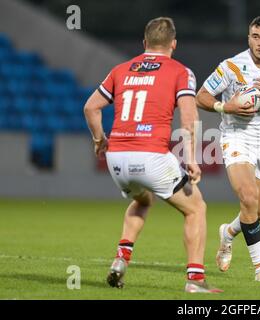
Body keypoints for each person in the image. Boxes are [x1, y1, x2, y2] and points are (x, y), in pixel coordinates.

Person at [84, 17, 221, 293]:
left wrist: (100, 140)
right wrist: (191, 158)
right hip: (151, 156)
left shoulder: (121, 70)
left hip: (117, 158)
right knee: (197, 208)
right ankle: (195, 281)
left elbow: (90, 108)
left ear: (144, 43)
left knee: (142, 200)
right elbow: (189, 114)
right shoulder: (181, 71)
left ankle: (121, 260)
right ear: (174, 44)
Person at [196, 16, 260, 282]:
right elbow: (202, 96)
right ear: (248, 38)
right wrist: (225, 106)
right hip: (235, 136)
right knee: (249, 197)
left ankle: (228, 233)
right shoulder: (231, 66)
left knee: (259, 211)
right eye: (256, 36)